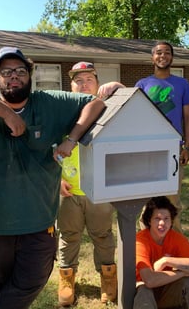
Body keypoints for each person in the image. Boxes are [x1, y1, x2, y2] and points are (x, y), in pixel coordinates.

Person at [0, 47, 105, 309]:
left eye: (20, 70)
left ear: (30, 74)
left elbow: (95, 103)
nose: (14, 76)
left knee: (33, 280)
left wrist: (71, 139)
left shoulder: (49, 103)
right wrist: (5, 113)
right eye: (6, 71)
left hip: (38, 223)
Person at [57, 61, 125, 306]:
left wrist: (120, 86)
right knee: (69, 235)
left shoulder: (106, 108)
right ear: (71, 85)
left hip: (99, 189)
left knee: (102, 235)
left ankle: (107, 278)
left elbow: (129, 110)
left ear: (97, 83)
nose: (83, 84)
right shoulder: (60, 109)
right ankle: (66, 278)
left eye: (89, 79)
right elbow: (46, 146)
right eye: (78, 80)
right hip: (68, 189)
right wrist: (58, 178)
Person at [135, 41, 189, 232]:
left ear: (172, 57)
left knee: (172, 197)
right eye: (159, 53)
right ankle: (145, 238)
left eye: (167, 53)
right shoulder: (142, 84)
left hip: (173, 148)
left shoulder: (182, 83)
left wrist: (186, 147)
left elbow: (188, 116)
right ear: (152, 57)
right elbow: (136, 116)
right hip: (148, 148)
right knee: (147, 196)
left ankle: (175, 238)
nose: (163, 56)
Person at [134, 196, 189, 309]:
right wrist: (182, 272)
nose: (162, 223)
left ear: (171, 220)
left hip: (166, 291)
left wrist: (167, 261)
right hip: (141, 296)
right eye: (157, 218)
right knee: (144, 289)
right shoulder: (140, 240)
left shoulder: (176, 239)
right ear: (149, 220)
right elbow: (149, 280)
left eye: (166, 218)